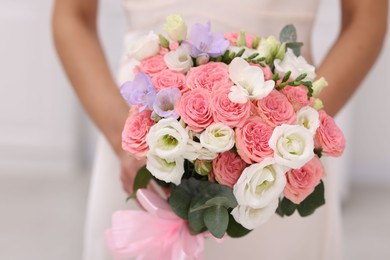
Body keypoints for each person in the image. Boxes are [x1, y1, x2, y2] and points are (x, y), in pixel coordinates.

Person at [52, 0, 388, 259]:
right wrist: (121, 139)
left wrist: (294, 132)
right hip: (139, 136)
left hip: (280, 151)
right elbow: (73, 15)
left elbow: (366, 18)